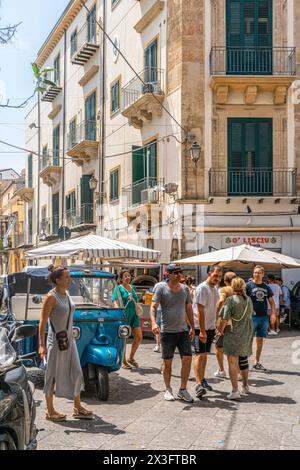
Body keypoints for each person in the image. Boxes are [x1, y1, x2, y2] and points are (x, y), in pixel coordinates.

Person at [39, 266, 93, 421]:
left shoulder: (67, 294)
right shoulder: (51, 297)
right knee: (52, 375)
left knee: (77, 372)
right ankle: (50, 410)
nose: (70, 279)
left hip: (69, 339)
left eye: (69, 276)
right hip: (56, 341)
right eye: (67, 277)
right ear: (57, 280)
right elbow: (42, 322)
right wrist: (41, 345)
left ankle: (77, 407)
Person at [150, 264, 195, 403]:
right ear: (168, 274)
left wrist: (193, 326)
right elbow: (153, 307)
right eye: (175, 272)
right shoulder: (161, 287)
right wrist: (153, 323)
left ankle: (183, 389)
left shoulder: (185, 289)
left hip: (183, 331)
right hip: (167, 332)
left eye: (179, 272)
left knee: (187, 359)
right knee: (167, 362)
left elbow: (188, 308)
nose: (178, 275)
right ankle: (168, 389)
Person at [218, 277, 254, 400]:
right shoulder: (248, 300)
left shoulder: (230, 300)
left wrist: (220, 330)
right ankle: (245, 386)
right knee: (243, 361)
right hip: (246, 333)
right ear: (243, 287)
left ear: (232, 287)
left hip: (233, 334)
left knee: (232, 363)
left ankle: (235, 390)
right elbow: (250, 315)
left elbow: (224, 318)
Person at [193, 266, 222, 398]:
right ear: (209, 274)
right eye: (215, 275)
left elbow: (214, 308)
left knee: (204, 354)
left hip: (209, 327)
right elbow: (200, 311)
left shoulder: (215, 289)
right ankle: (198, 383)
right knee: (199, 354)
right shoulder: (202, 288)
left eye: (219, 276)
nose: (217, 278)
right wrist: (202, 331)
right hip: (200, 327)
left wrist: (216, 324)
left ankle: (202, 379)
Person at [246, 266, 276, 371]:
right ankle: (244, 361)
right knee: (247, 340)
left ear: (263, 274)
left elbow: (272, 302)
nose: (256, 274)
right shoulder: (248, 286)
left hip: (263, 317)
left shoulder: (266, 287)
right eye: (255, 272)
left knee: (260, 339)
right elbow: (242, 300)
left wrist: (273, 314)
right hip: (251, 317)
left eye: (258, 273)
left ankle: (256, 362)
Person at [112, 270, 143, 369]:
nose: (128, 278)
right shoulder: (118, 288)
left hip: (134, 314)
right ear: (121, 278)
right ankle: (124, 361)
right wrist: (119, 313)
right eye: (125, 276)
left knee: (138, 337)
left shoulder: (132, 288)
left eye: (129, 276)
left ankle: (131, 358)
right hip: (124, 314)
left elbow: (135, 301)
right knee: (124, 338)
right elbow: (115, 302)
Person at [214, 271, 237, 378]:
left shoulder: (224, 289)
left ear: (225, 280)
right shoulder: (240, 291)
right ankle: (238, 372)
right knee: (234, 349)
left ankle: (221, 370)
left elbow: (220, 302)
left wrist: (218, 316)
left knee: (219, 347)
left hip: (225, 323)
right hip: (237, 324)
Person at [153, 272, 169, 353]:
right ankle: (165, 346)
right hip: (168, 310)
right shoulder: (173, 285)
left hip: (159, 309)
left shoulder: (157, 285)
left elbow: (153, 297)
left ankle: (158, 345)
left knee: (158, 327)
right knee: (166, 328)